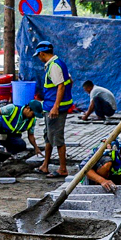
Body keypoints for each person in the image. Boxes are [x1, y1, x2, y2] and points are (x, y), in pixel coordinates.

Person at [34, 41, 72, 178]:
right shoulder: (58, 63)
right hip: (51, 106)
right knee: (49, 136)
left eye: (39, 55)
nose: (39, 58)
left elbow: (61, 86)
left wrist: (56, 106)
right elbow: (69, 82)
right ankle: (45, 165)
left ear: (42, 53)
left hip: (55, 108)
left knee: (57, 138)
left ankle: (63, 169)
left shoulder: (54, 66)